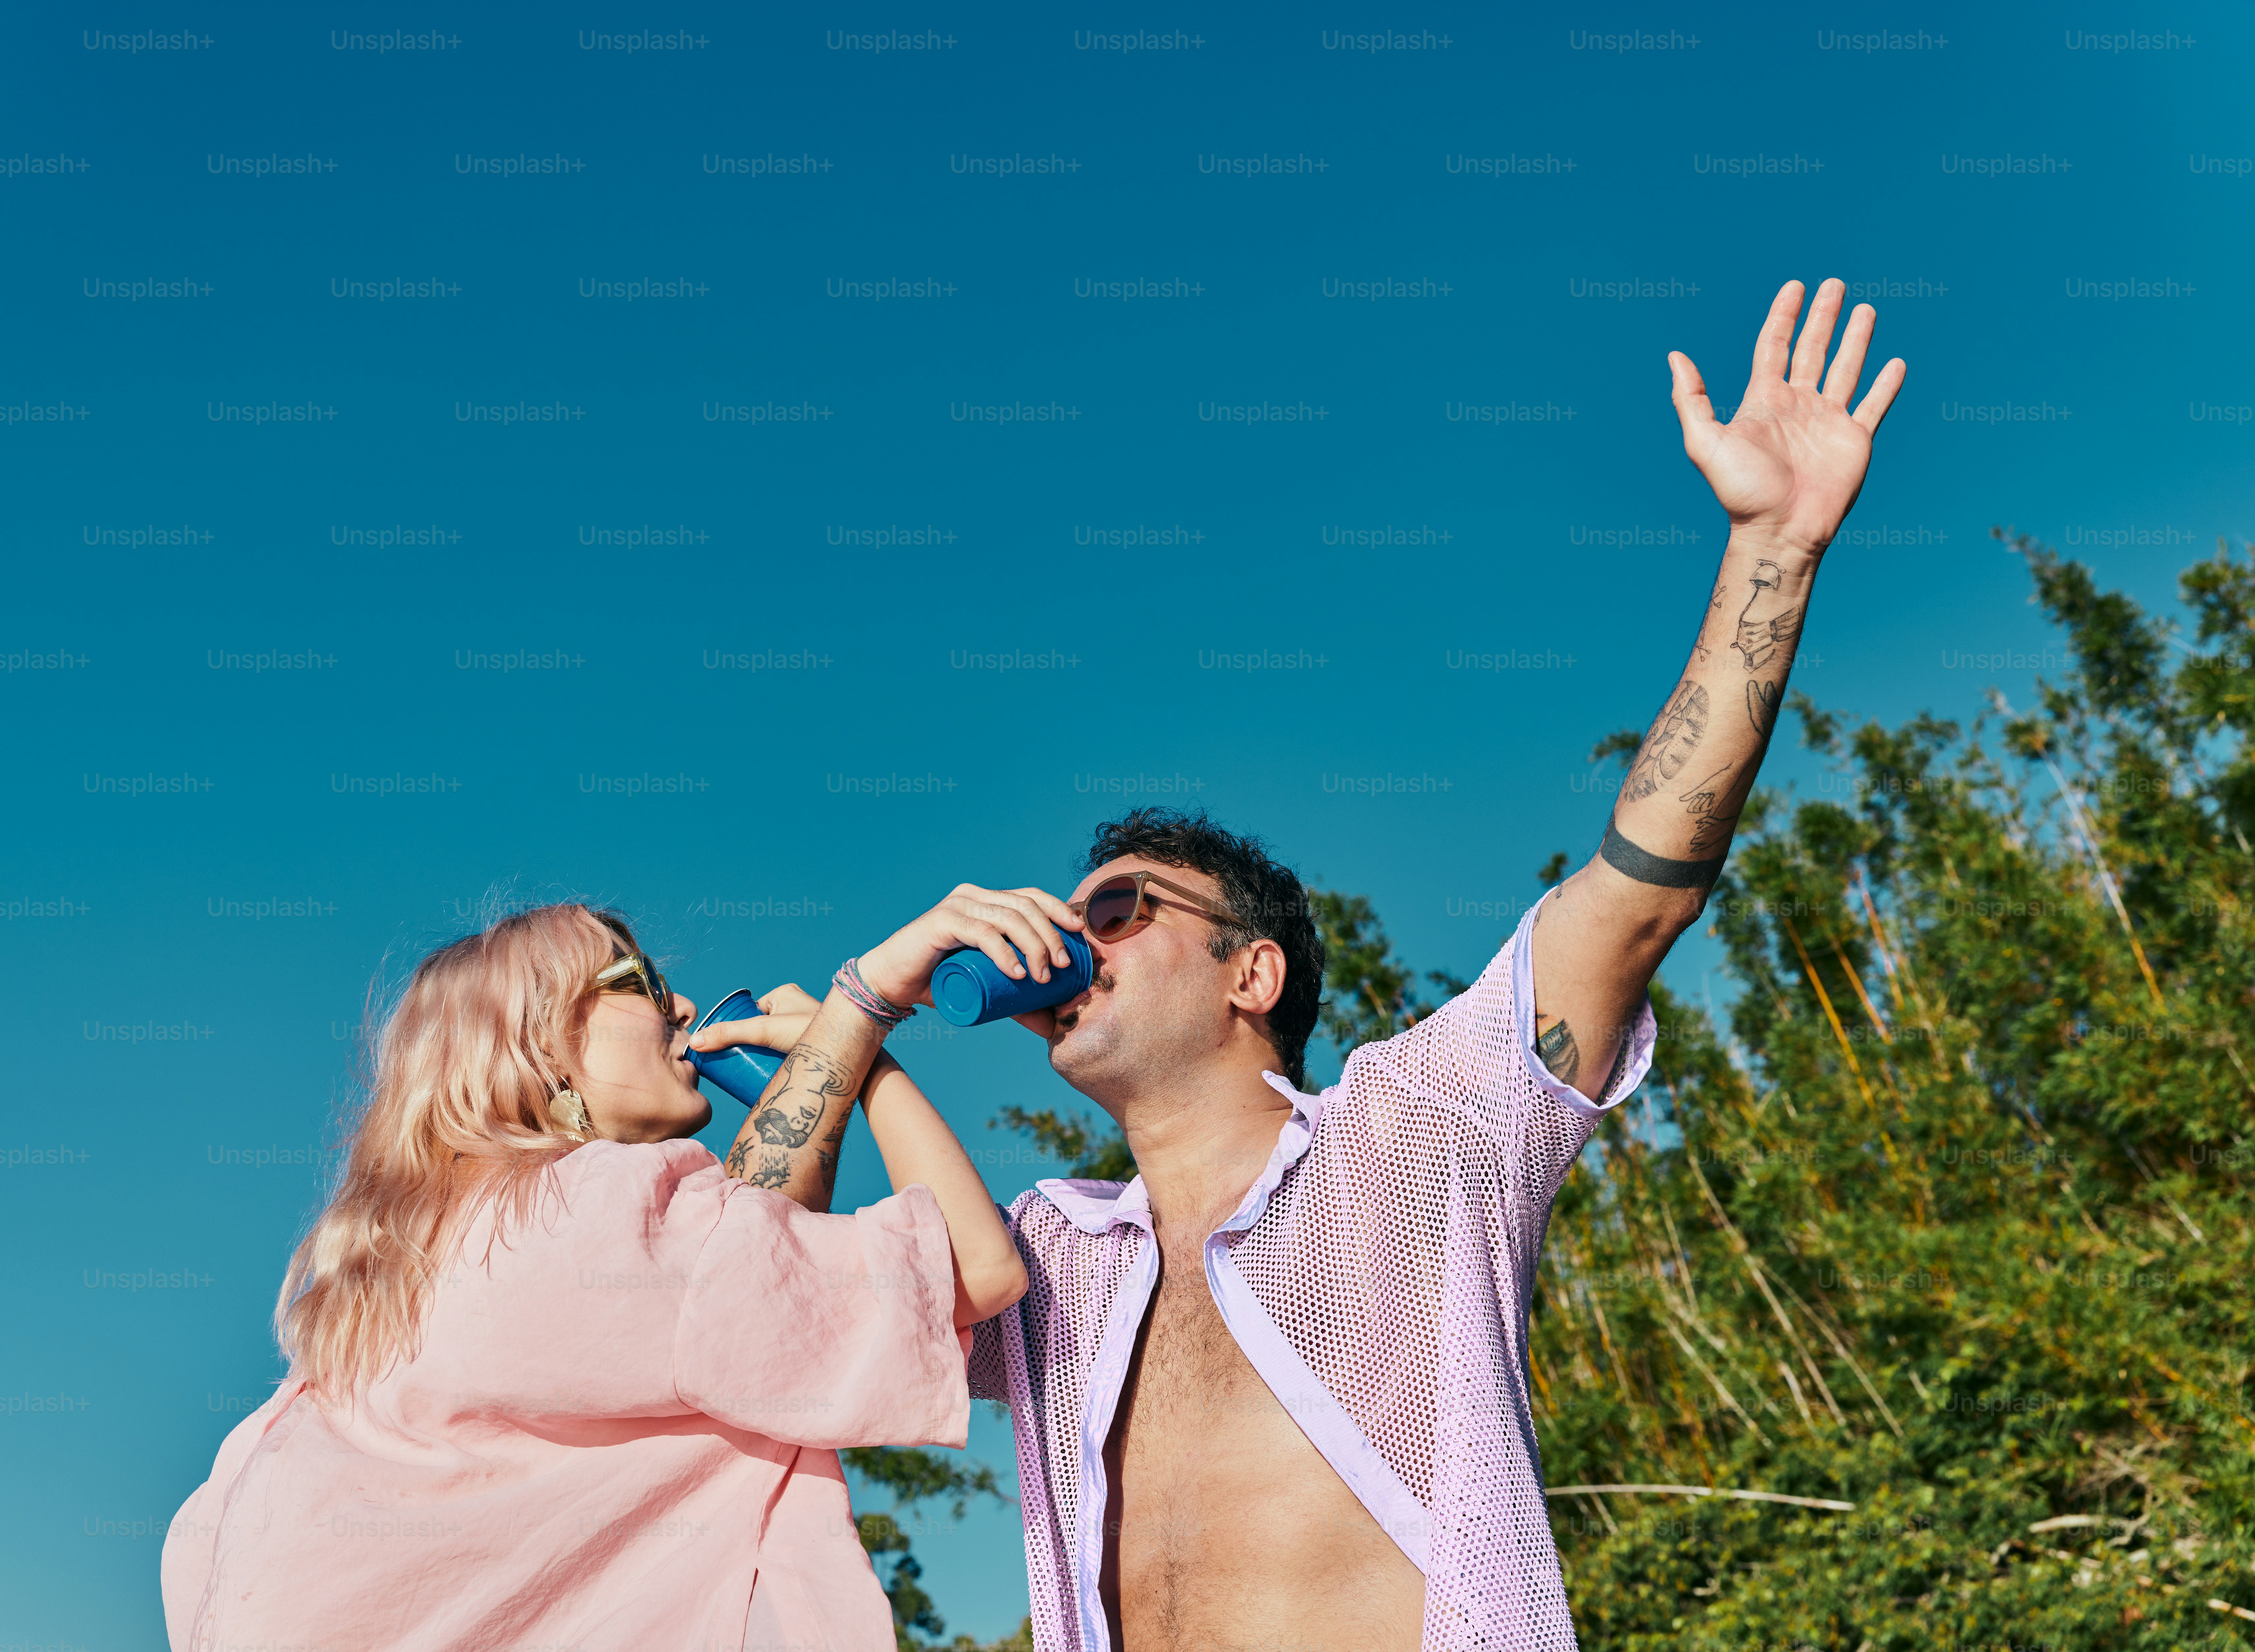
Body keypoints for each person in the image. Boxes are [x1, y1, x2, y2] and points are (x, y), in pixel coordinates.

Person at [959, 279, 1908, 1651]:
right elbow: (745, 1317)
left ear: (1250, 976)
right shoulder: (1044, 1261)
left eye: (1118, 910)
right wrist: (869, 1003)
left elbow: (1637, 897)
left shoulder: (1416, 1134)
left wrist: (1774, 548)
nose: (1069, 941)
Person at [159, 890, 1085, 1652]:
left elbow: (744, 1270)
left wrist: (835, 1049)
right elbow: (976, 1266)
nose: (682, 1007)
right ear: (543, 1042)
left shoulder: (381, 1306)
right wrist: (869, 1027)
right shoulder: (596, 1213)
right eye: (639, 981)